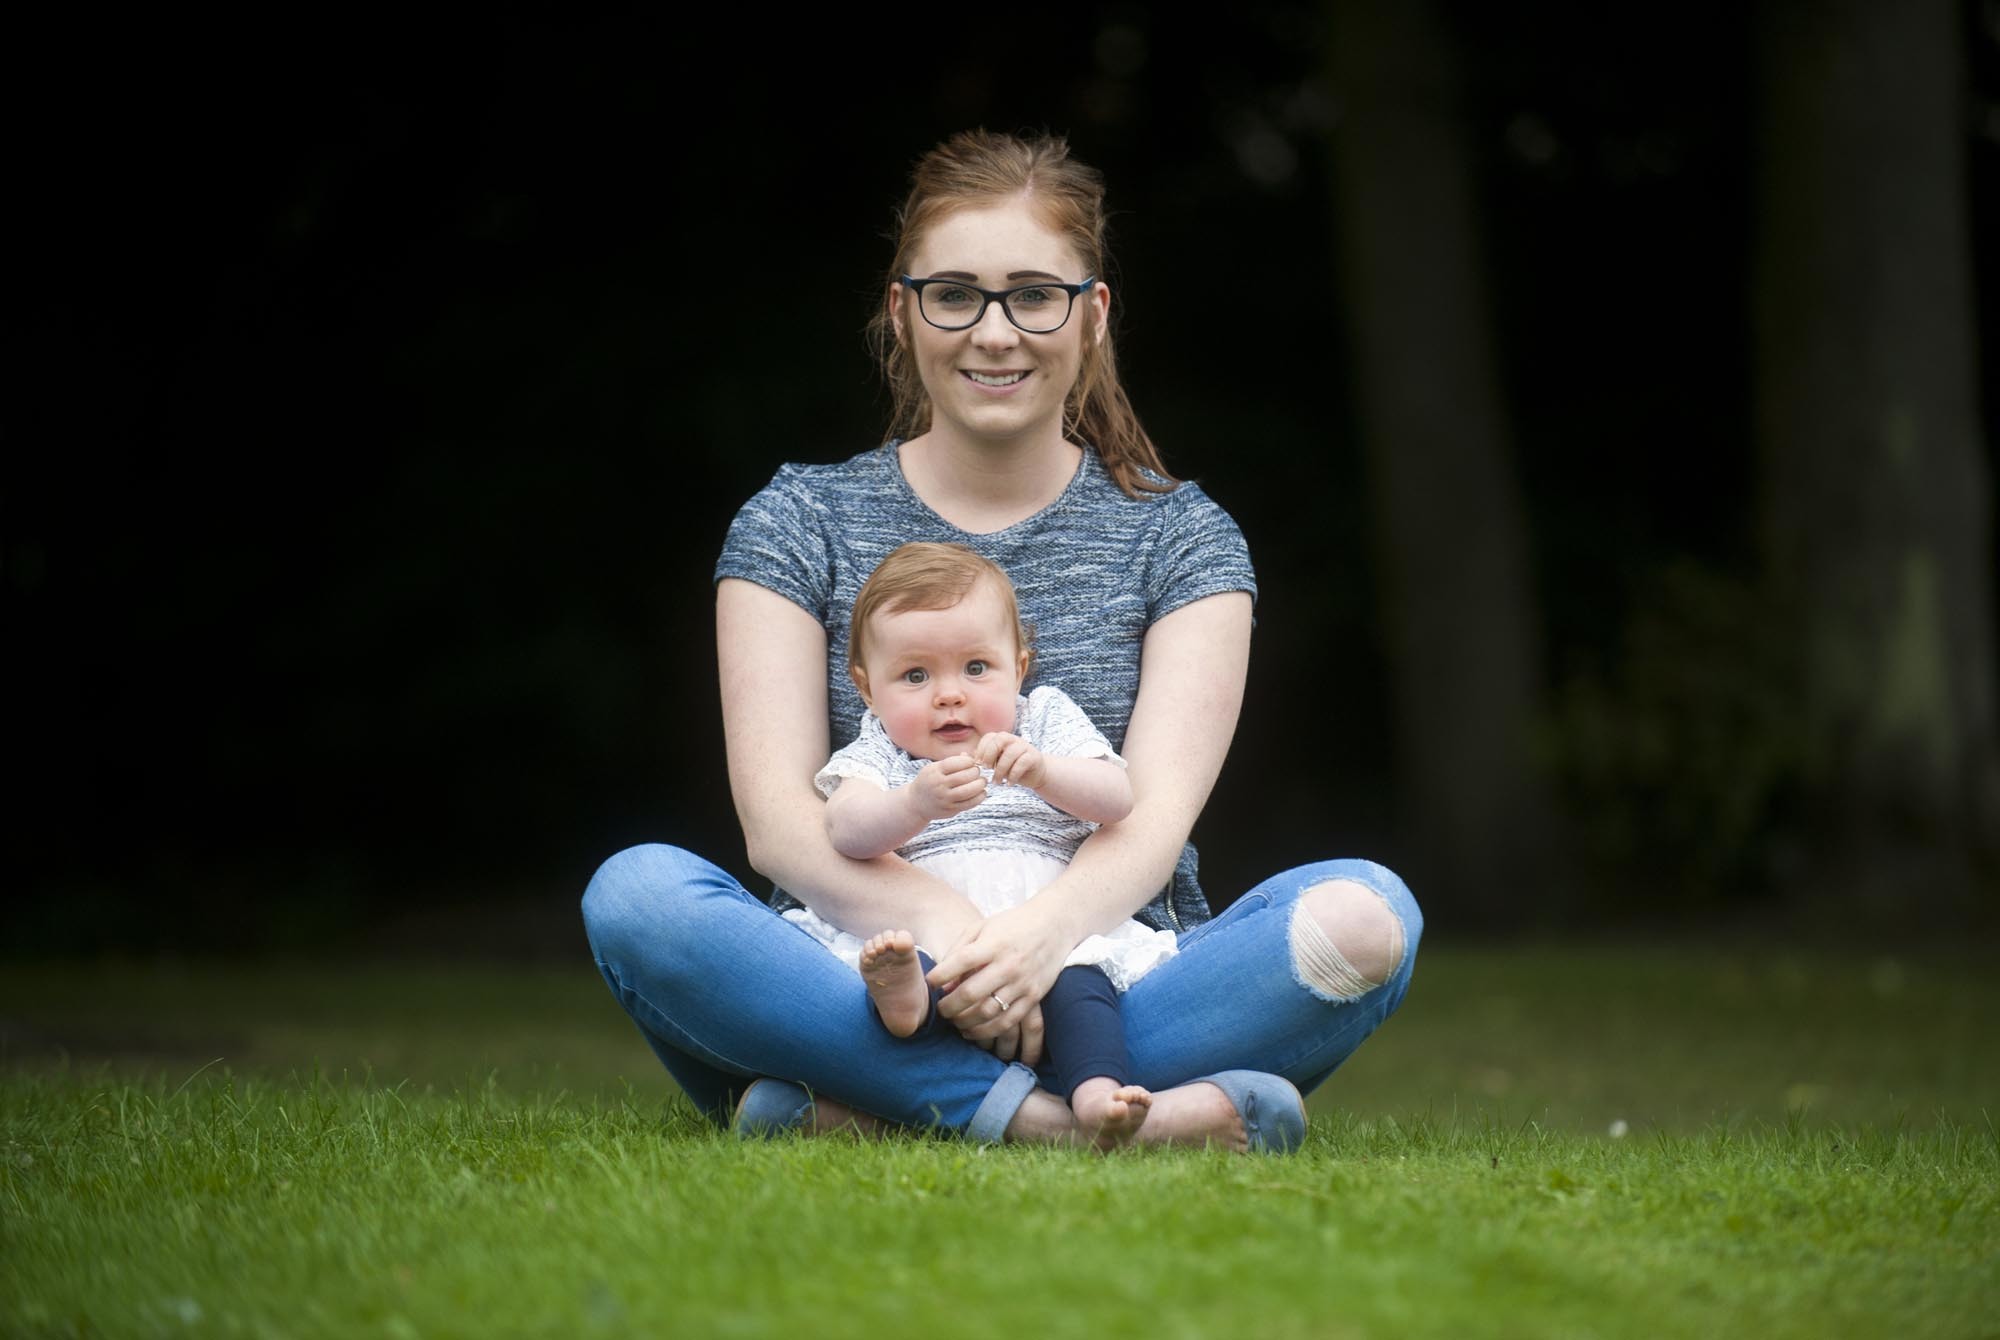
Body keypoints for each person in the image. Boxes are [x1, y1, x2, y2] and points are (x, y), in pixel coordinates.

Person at [581, 128, 1422, 1152]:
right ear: (903, 311)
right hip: (863, 974)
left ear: (1092, 315)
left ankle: (868, 1108)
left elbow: (1147, 825)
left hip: (1106, 974)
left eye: (1033, 293)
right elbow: (778, 829)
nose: (994, 331)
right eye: (954, 294)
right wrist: (956, 936)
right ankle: (1059, 1122)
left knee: (1373, 912)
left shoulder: (1181, 537)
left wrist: (1037, 944)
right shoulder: (794, 520)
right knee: (636, 895)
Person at [798, 540, 1181, 1148]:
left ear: (1019, 668)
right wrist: (913, 805)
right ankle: (905, 1005)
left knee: (1084, 989)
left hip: (1047, 930)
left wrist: (1045, 773)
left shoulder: (1045, 721)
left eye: (976, 668)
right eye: (915, 675)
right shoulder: (879, 751)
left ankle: (1096, 1097)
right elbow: (845, 829)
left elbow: (1117, 798)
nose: (949, 694)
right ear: (867, 690)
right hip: (931, 930)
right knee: (899, 962)